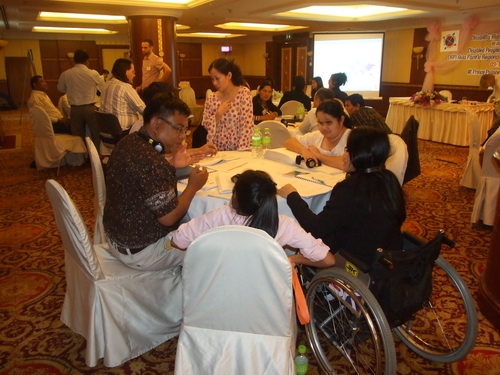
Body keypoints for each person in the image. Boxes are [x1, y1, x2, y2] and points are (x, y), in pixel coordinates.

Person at [103, 95, 209, 270]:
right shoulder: (151, 161)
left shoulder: (129, 143)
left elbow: (143, 180)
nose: (183, 137)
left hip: (118, 238)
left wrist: (171, 166)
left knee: (192, 225)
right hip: (144, 251)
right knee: (211, 246)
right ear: (155, 124)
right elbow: (169, 217)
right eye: (178, 129)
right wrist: (193, 186)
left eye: (185, 130)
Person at [278, 127, 406, 266]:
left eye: (347, 150)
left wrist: (293, 196)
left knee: (309, 242)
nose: (344, 155)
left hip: (356, 260)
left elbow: (315, 228)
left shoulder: (350, 188)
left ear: (358, 155)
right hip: (387, 255)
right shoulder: (389, 180)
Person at [171, 170, 336, 269]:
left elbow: (178, 241)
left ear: (235, 195)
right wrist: (295, 258)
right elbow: (328, 260)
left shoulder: (218, 217)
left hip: (219, 290)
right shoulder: (284, 225)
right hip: (263, 303)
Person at [201, 58, 254, 151]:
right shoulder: (212, 99)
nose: (214, 83)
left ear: (229, 75)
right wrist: (218, 115)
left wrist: (241, 152)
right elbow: (205, 124)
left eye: (217, 78)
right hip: (217, 151)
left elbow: (246, 126)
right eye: (212, 79)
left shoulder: (243, 94)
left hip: (240, 150)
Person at [57, 49, 105, 149]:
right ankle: (96, 155)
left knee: (77, 135)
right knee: (95, 133)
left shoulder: (66, 74)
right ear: (87, 61)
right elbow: (103, 88)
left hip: (75, 109)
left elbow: (60, 88)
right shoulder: (92, 73)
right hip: (90, 108)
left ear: (74, 61)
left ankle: (80, 156)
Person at [284, 99, 352, 170]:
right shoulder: (318, 136)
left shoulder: (352, 138)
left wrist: (319, 155)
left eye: (329, 123)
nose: (324, 128)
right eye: (320, 123)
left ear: (341, 120)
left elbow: (347, 163)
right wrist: (304, 150)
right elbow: (289, 142)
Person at [100, 58, 146, 132]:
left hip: (105, 132)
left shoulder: (106, 85)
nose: (134, 75)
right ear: (125, 71)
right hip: (124, 133)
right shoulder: (125, 87)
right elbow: (144, 110)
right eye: (133, 72)